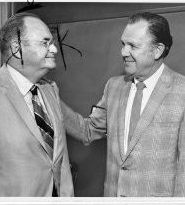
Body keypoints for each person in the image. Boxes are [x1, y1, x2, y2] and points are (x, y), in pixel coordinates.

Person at [61, 12, 185, 196]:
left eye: (132, 46)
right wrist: (49, 97)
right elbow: (87, 131)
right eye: (123, 44)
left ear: (157, 50)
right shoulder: (114, 87)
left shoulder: (181, 91)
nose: (123, 52)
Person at [0, 12, 74, 196]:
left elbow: (61, 165)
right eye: (45, 43)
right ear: (17, 49)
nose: (54, 50)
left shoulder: (50, 90)